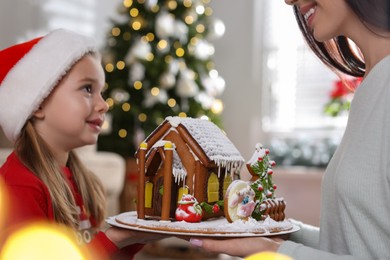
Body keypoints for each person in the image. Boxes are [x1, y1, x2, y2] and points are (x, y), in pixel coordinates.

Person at [188, 0, 390, 259]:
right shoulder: (373, 84)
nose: (288, 0)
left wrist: (275, 250)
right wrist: (278, 234)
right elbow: (359, 244)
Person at [0, 29, 166, 259]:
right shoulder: (18, 186)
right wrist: (112, 239)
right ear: (38, 103)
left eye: (102, 92)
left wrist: (131, 239)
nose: (104, 105)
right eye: (87, 89)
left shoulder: (84, 181)